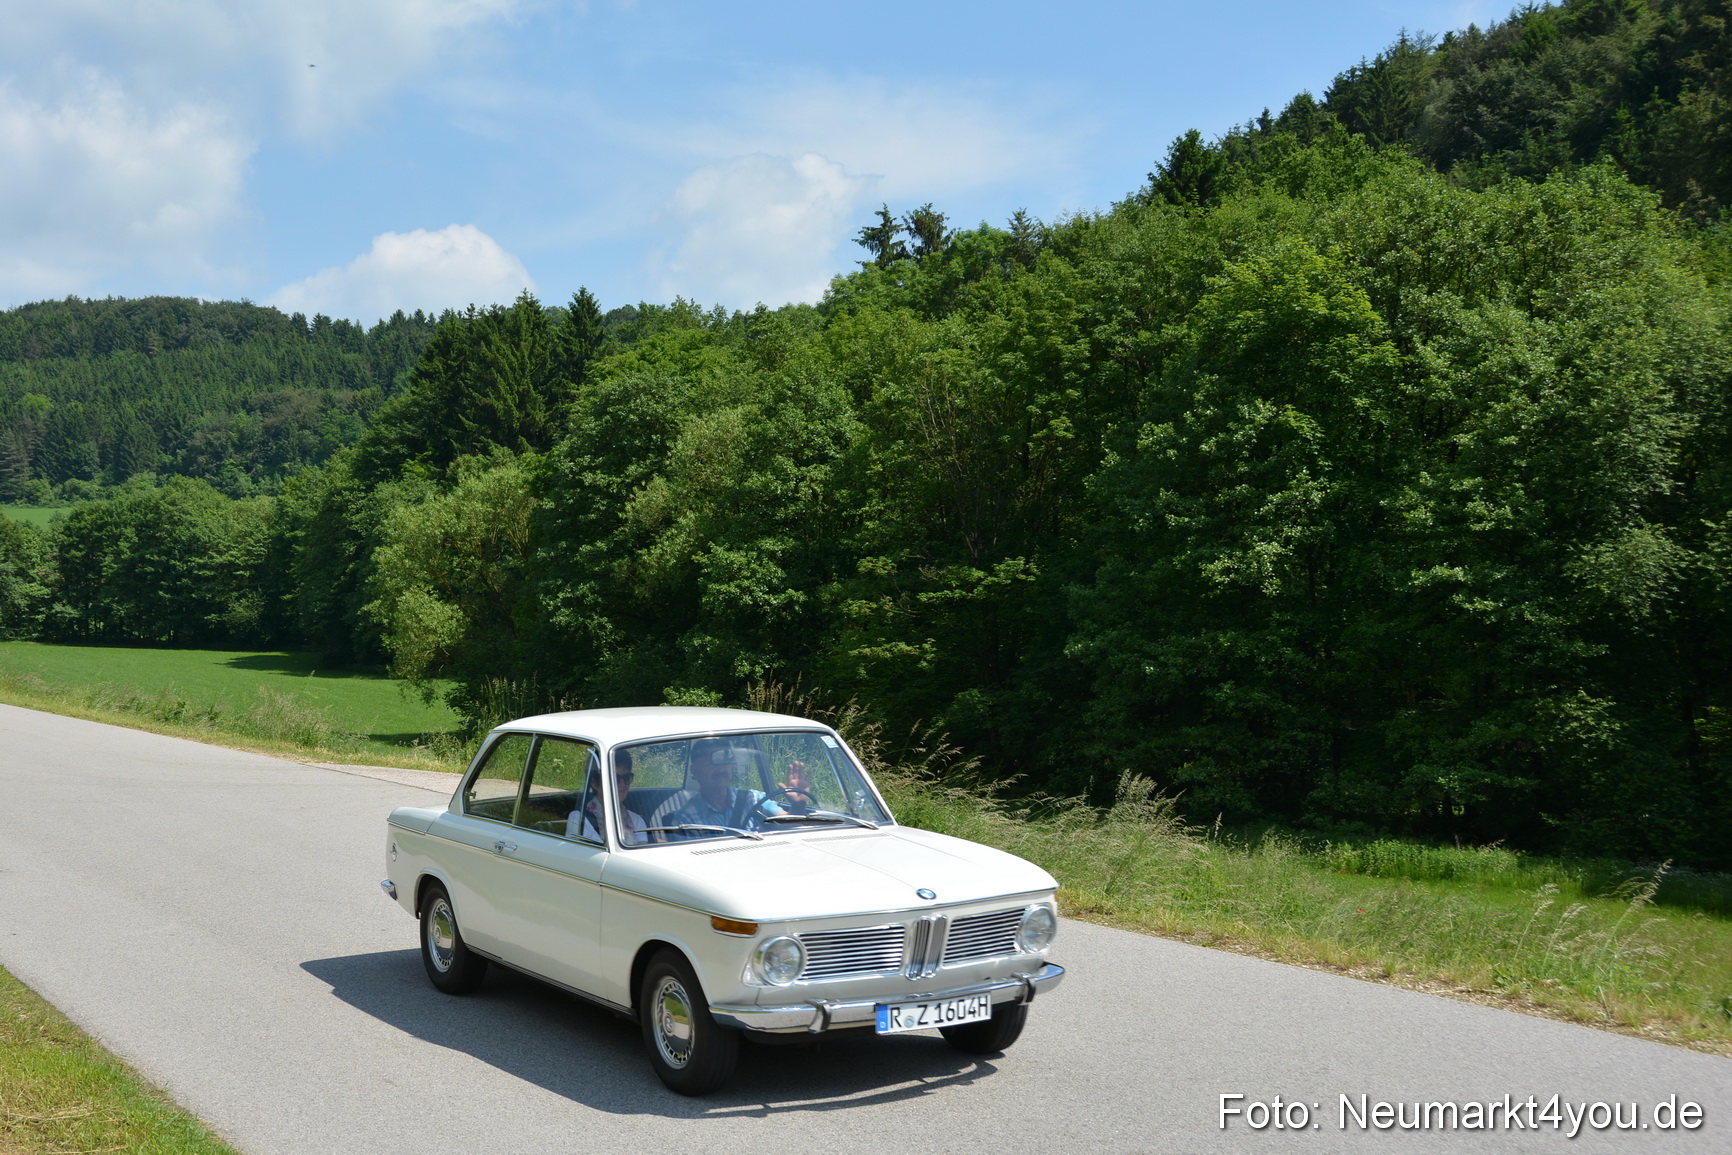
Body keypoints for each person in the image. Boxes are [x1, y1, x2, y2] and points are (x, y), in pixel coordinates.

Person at [661, 737, 783, 834]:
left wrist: (798, 806)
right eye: (714, 761)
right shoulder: (686, 819)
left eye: (725, 760)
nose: (721, 768)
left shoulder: (752, 799)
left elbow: (786, 821)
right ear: (695, 771)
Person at [567, 749, 648, 845]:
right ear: (594, 782)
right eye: (615, 778)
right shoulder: (579, 820)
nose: (622, 784)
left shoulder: (637, 820)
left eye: (626, 777)